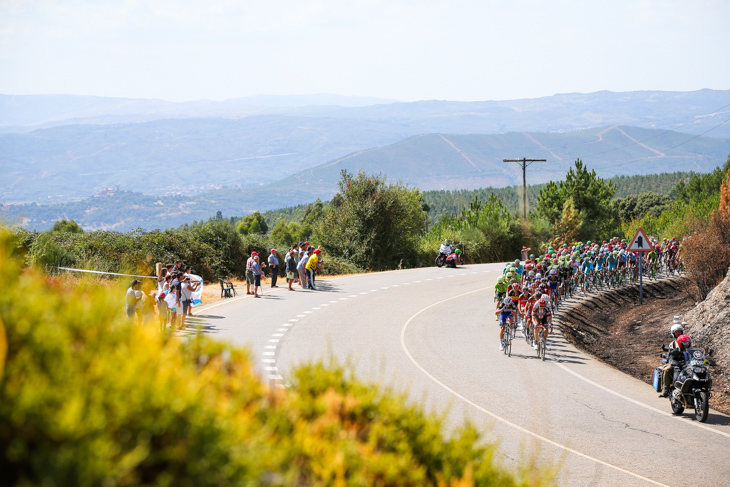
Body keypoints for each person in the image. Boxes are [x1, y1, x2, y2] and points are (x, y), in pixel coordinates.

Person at [659, 322, 686, 397]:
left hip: (686, 362)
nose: (678, 333)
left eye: (679, 331)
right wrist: (671, 352)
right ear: (673, 333)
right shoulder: (673, 344)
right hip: (675, 362)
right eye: (676, 332)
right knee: (667, 369)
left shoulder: (686, 340)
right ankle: (665, 389)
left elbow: (692, 350)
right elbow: (670, 353)